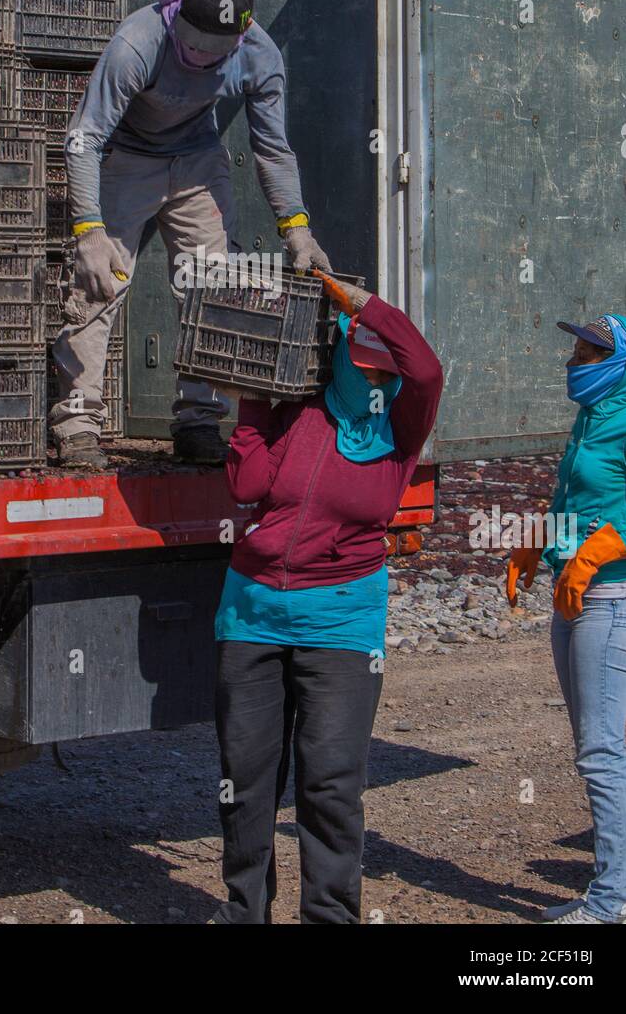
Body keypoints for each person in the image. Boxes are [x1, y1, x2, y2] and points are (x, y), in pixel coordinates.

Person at [209, 276, 443, 924]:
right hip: (250, 613)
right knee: (245, 787)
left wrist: (361, 305)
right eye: (359, 363)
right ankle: (243, 913)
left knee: (331, 784)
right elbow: (246, 481)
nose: (371, 379)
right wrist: (254, 400)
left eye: (380, 369)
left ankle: (330, 918)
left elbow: (425, 367)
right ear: (338, 358)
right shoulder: (300, 409)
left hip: (341, 619)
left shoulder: (399, 431)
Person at [50, 0, 330, 470]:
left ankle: (200, 420)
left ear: (240, 35)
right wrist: (89, 229)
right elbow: (84, 138)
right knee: (98, 284)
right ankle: (77, 424)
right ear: (174, 14)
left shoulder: (260, 56)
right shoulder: (137, 43)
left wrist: (297, 227)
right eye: (190, 42)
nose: (197, 54)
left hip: (198, 160)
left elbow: (272, 147)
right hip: (127, 158)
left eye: (211, 49)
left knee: (212, 285)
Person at [507, 314, 626, 926]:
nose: (572, 361)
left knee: (601, 751)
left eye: (588, 352)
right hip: (572, 600)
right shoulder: (592, 419)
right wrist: (536, 542)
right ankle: (613, 892)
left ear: (621, 362)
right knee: (593, 747)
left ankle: (614, 900)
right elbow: (573, 501)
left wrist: (599, 552)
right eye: (575, 349)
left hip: (612, 604)